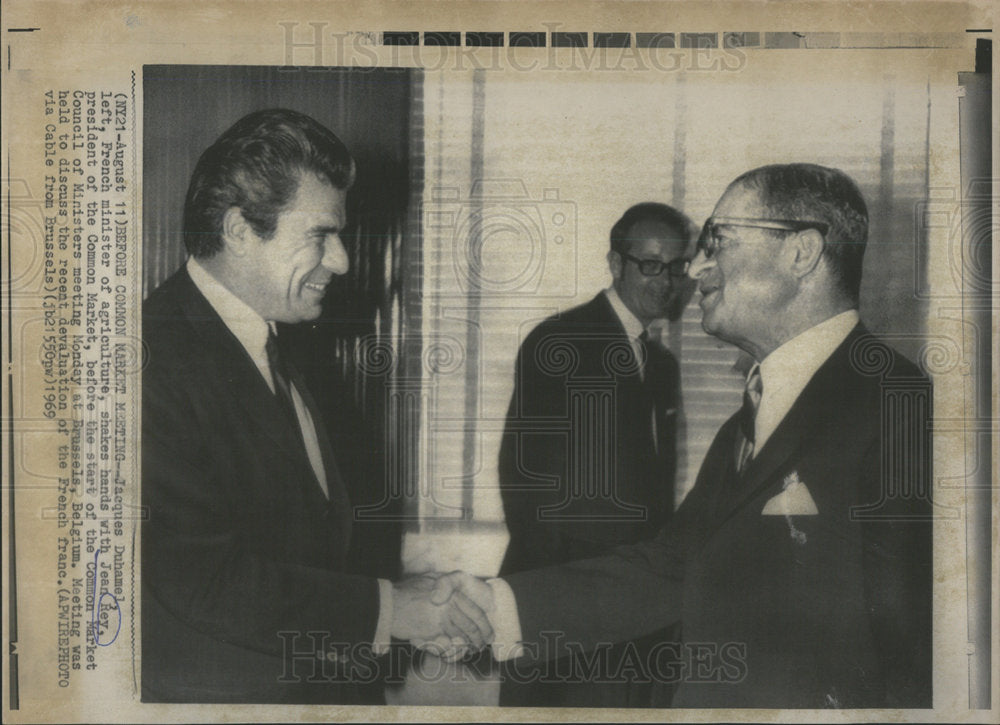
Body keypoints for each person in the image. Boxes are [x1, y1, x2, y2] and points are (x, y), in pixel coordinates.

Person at [437, 163, 934, 708]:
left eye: (718, 240)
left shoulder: (900, 406)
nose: (697, 268)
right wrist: (496, 607)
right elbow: (673, 564)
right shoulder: (743, 424)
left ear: (802, 252)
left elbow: (914, 646)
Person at [141, 108, 490, 704]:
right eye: (320, 235)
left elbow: (302, 546)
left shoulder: (285, 344)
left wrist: (398, 597)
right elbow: (200, 579)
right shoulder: (148, 358)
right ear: (239, 230)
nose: (343, 261)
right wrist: (390, 609)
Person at [497, 203, 693, 706]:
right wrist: (553, 609)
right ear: (615, 263)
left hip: (635, 598)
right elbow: (524, 482)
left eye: (675, 266)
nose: (665, 280)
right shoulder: (560, 340)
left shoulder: (661, 364)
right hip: (567, 597)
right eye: (650, 264)